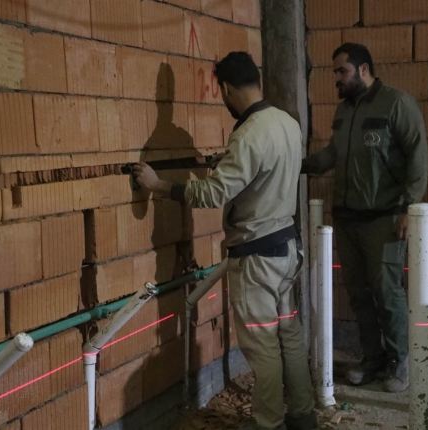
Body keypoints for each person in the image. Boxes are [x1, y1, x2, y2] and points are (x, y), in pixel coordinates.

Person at [133, 52, 319, 430]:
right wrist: (232, 165)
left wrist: (158, 185)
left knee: (263, 347)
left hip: (257, 260)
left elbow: (214, 194)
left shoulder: (248, 135)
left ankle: (269, 423)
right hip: (287, 251)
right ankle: (303, 417)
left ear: (225, 88)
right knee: (288, 336)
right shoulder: (287, 122)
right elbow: (266, 173)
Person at [302, 43, 428, 393]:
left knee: (387, 293)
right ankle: (373, 359)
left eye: (342, 71)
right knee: (359, 294)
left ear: (363, 69)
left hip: (383, 219)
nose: (337, 78)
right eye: (335, 72)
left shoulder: (396, 104)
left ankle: (400, 361)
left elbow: (418, 156)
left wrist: (408, 208)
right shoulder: (344, 111)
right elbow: (332, 153)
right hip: (347, 219)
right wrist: (301, 165)